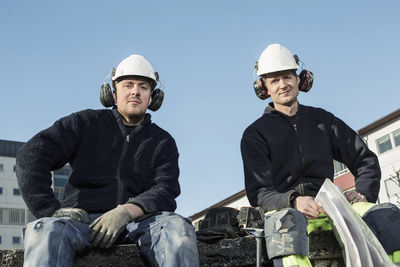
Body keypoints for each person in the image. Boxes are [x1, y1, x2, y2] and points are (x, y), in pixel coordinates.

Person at [16, 54, 199, 267]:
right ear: (112, 94)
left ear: (153, 98)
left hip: (140, 223)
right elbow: (31, 155)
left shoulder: (163, 141)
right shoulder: (85, 123)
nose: (135, 92)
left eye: (143, 87)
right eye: (127, 85)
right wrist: (50, 210)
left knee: (177, 228)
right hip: (80, 221)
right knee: (45, 230)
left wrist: (127, 211)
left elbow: (166, 189)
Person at [240, 43, 400, 266]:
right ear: (263, 87)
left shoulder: (323, 121)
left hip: (332, 207)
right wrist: (293, 201)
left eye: (287, 76)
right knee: (287, 228)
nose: (283, 85)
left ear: (299, 79)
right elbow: (259, 193)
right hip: (286, 212)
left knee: (387, 216)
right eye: (274, 80)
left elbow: (365, 159)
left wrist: (363, 192)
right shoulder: (255, 135)